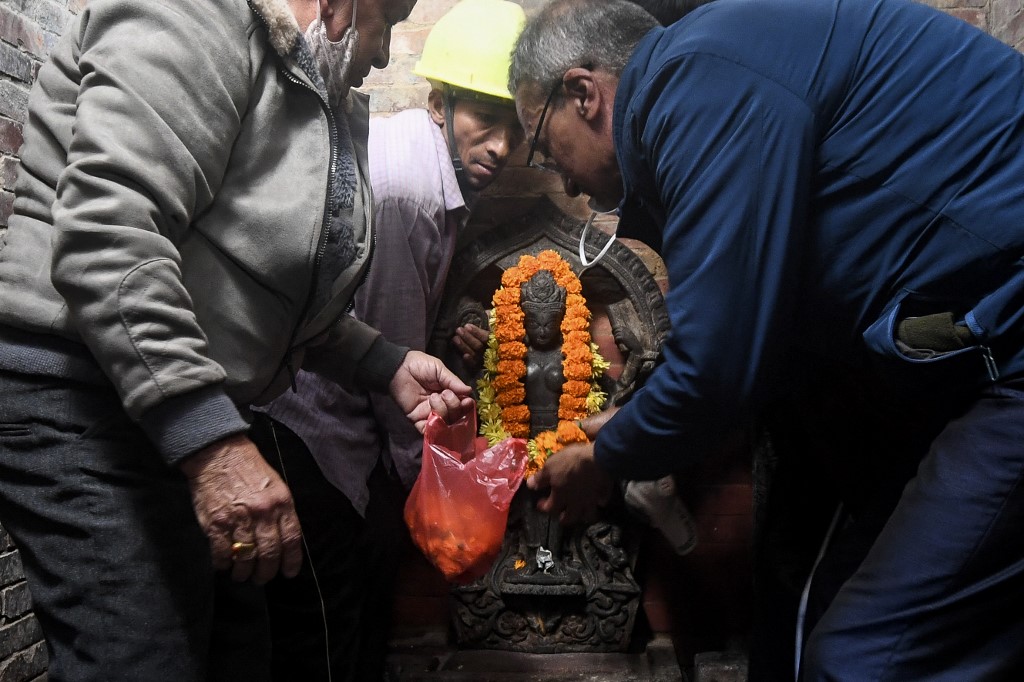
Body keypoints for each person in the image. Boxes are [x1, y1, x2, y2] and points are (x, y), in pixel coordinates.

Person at [509, 0, 1024, 679]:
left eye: (546, 146)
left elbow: (719, 365)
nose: (564, 178)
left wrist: (608, 457)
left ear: (584, 93)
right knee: (808, 605)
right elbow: (750, 328)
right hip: (958, 354)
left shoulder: (692, 81)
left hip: (1005, 345)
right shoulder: (708, 74)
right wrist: (624, 426)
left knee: (861, 659)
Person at [0, 0, 476, 679]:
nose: (381, 52)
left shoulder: (303, 87)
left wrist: (385, 363)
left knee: (240, 657)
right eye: (389, 19)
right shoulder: (192, 13)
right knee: (145, 663)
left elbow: (250, 291)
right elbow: (109, 238)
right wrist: (215, 448)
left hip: (163, 395)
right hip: (83, 394)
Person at [249, 1, 525, 678]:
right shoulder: (413, 190)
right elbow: (390, 356)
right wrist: (426, 484)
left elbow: (388, 315)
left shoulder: (420, 159)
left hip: (328, 424)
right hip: (308, 433)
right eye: (484, 118)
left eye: (515, 128)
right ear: (440, 100)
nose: (500, 145)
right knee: (326, 640)